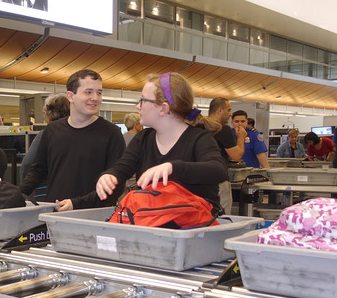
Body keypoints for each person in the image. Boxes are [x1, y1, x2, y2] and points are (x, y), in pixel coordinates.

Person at [96, 72, 228, 214]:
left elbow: (218, 170)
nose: (137, 106)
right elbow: (123, 166)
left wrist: (172, 167)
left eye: (143, 100)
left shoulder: (199, 138)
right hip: (155, 224)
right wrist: (110, 175)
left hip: (195, 227)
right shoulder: (143, 138)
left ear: (163, 109)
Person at [20, 69, 125, 211]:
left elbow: (116, 186)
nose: (95, 98)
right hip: (55, 214)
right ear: (70, 96)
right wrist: (17, 195)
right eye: (88, 92)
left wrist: (76, 203)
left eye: (99, 92)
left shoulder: (112, 134)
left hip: (93, 217)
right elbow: (37, 171)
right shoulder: (52, 131)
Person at [20, 93, 70, 191]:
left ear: (48, 115)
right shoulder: (77, 132)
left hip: (47, 190)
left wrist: (25, 188)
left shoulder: (45, 134)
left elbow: (28, 163)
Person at [207, 97, 245, 214]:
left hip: (202, 180)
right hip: (219, 180)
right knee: (222, 216)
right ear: (219, 110)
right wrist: (241, 138)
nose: (230, 114)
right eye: (228, 110)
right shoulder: (222, 129)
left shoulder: (200, 127)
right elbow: (236, 156)